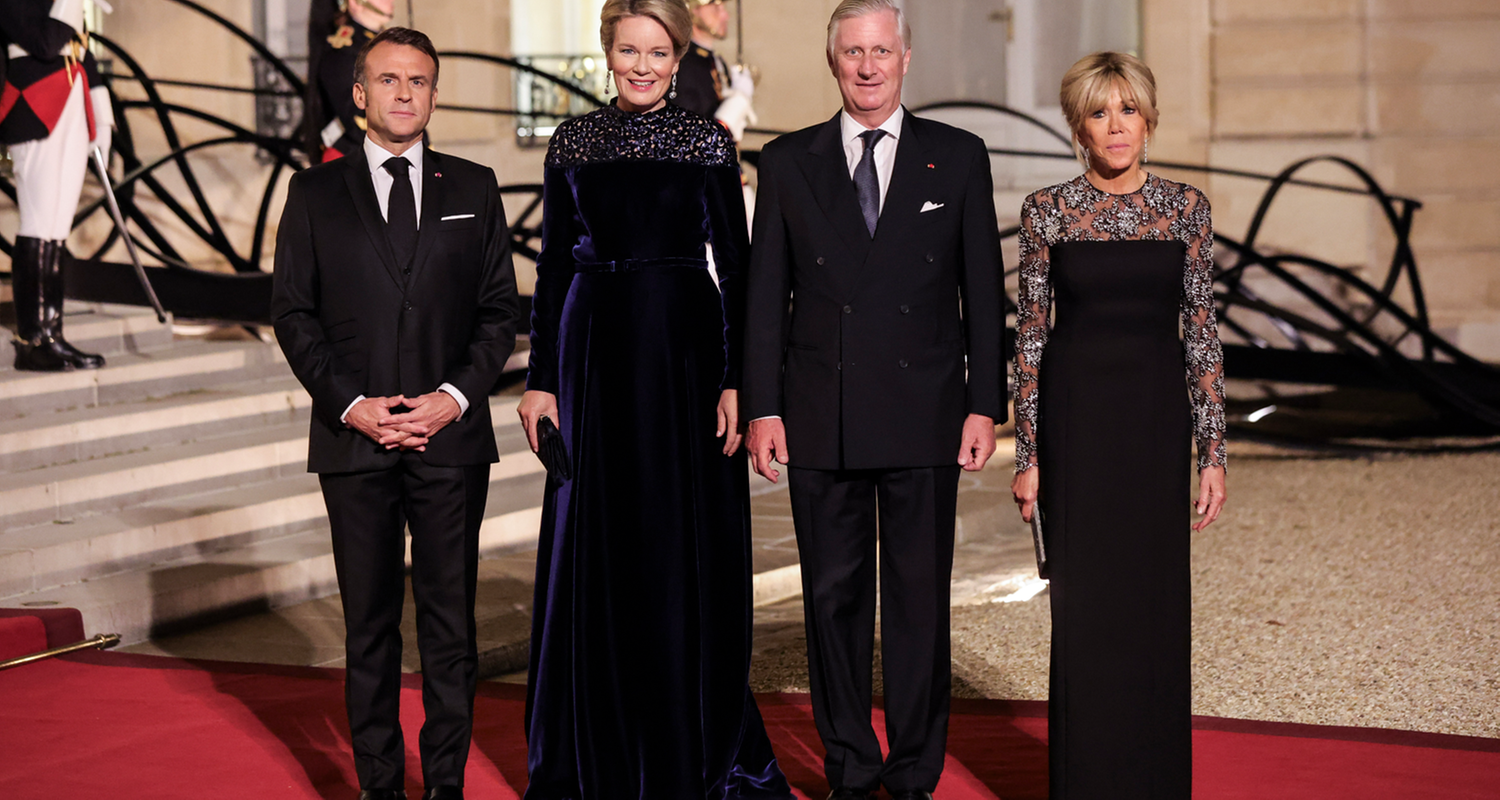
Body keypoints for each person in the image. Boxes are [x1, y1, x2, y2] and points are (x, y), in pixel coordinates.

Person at [515, 1, 792, 798]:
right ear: (606, 54)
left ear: (680, 60)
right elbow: (555, 269)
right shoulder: (572, 143)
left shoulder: (707, 143)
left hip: (683, 353)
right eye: (628, 50)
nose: (642, 65)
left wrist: (739, 379)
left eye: (657, 52)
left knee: (680, 545)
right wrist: (540, 379)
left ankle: (691, 737)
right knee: (595, 541)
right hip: (591, 351)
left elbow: (735, 273)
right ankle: (592, 740)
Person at [741, 1, 1006, 797]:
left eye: (880, 50)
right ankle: (852, 766)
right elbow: (765, 298)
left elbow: (982, 294)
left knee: (920, 606)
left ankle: (915, 770)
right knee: (833, 604)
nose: (866, 66)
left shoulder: (957, 157)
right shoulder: (788, 162)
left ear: (905, 57)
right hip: (822, 415)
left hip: (926, 415)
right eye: (852, 51)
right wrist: (764, 406)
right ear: (833, 62)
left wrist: (982, 404)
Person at [272, 27, 521, 800]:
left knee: (451, 630)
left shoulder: (475, 187)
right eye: (388, 80)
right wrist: (352, 406)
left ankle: (443, 784)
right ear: (359, 93)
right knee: (370, 630)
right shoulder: (314, 192)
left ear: (434, 93)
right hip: (355, 445)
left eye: (418, 80)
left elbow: (499, 313)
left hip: (451, 445)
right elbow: (292, 314)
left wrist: (449, 401)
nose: (404, 93)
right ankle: (380, 785)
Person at [1008, 51, 1228, 799]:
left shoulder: (1186, 208)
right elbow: (1030, 339)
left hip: (1154, 429)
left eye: (1127, 109)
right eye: (1100, 112)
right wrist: (1028, 454)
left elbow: (1201, 333)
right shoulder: (1047, 212)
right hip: (1078, 434)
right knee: (1087, 614)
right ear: (1079, 124)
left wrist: (1214, 452)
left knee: (1155, 608)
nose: (1116, 126)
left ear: (1149, 117)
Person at [0, 0, 114, 371]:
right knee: (39, 224)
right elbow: (47, 43)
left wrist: (103, 115)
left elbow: (82, 51)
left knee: (57, 229)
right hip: (34, 106)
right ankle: (34, 339)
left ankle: (52, 333)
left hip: (70, 104)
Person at [304, 0, 392, 162]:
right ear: (355, 3)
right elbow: (355, 117)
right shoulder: (342, 50)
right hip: (353, 157)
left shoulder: (387, 45)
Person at [675, 0, 755, 141]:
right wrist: (737, 103)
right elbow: (691, 139)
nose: (725, 16)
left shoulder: (714, 61)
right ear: (693, 10)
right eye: (716, 8)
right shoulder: (683, 64)